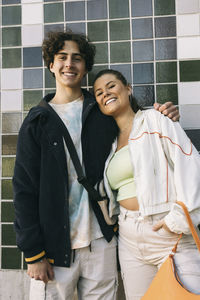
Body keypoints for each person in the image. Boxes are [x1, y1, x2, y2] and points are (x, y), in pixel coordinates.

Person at [13, 30, 179, 300]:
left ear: (85, 66)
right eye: (62, 57)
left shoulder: (101, 110)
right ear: (51, 64)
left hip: (100, 243)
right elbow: (23, 189)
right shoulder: (37, 121)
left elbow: (136, 122)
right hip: (54, 249)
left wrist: (163, 115)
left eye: (77, 58)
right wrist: (33, 253)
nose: (69, 64)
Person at [93, 68, 200, 300]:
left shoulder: (156, 119)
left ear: (128, 89)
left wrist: (177, 219)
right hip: (129, 237)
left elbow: (192, 166)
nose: (105, 94)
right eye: (99, 92)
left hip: (168, 232)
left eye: (111, 86)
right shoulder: (110, 144)